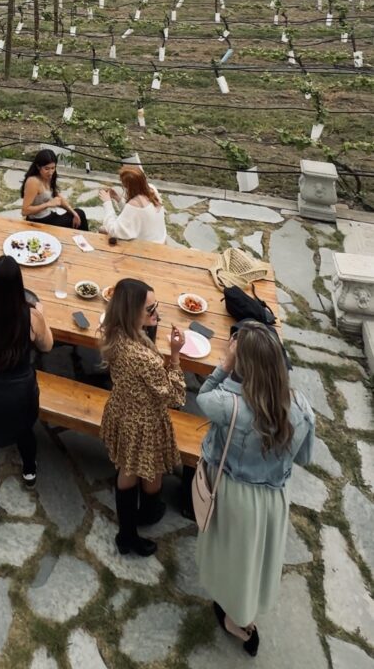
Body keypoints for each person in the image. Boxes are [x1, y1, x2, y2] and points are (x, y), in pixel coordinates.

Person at [196, 322, 315, 657]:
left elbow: (202, 397)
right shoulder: (300, 406)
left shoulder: (228, 404)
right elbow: (304, 457)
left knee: (232, 554)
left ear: (243, 364)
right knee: (255, 558)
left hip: (234, 492)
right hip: (273, 496)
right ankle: (243, 611)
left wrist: (224, 364)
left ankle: (237, 618)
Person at [99, 277, 186, 556]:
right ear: (131, 312)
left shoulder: (115, 333)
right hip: (143, 423)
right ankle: (129, 533)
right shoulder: (142, 356)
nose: (156, 313)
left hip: (122, 411)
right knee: (138, 469)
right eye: (150, 309)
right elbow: (176, 397)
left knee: (131, 467)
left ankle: (142, 516)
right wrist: (175, 356)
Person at [0, 256, 53, 524]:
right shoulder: (30, 317)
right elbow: (47, 346)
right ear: (19, 287)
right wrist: (42, 315)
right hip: (20, 391)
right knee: (25, 430)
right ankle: (29, 471)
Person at [21, 149, 88, 231]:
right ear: (38, 167)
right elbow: (25, 211)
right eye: (47, 169)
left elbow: (57, 197)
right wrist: (47, 204)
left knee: (78, 213)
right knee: (80, 216)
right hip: (39, 221)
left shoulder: (49, 176)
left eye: (53, 168)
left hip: (50, 216)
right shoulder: (33, 181)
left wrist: (73, 213)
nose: (50, 172)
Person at [99, 165, 167, 243]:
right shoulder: (152, 189)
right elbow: (135, 215)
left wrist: (107, 202)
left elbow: (114, 231)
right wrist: (117, 198)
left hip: (148, 246)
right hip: (159, 239)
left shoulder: (136, 203)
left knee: (102, 229)